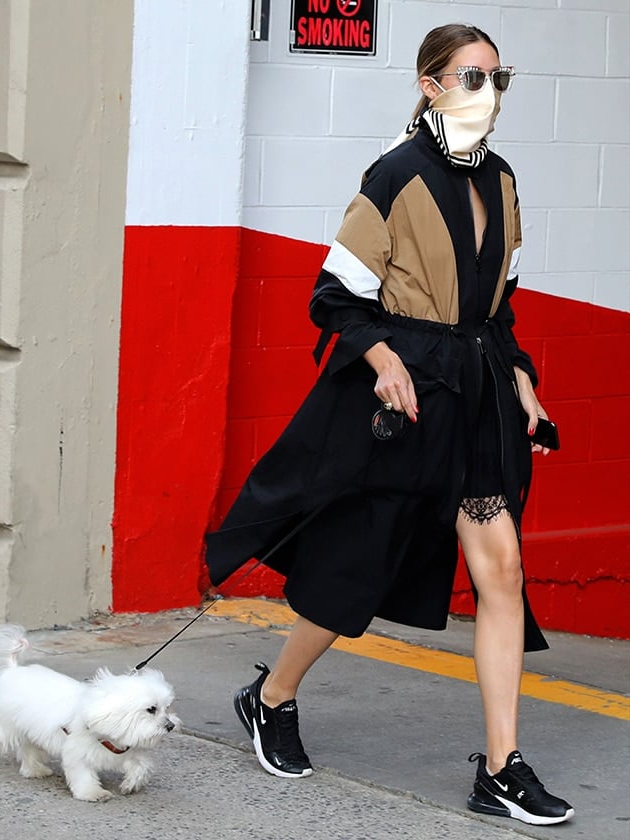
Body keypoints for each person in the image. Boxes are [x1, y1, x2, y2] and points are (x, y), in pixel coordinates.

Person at [205, 23, 574, 827]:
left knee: (502, 571)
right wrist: (382, 359)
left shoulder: (504, 180)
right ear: (430, 86)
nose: (487, 92)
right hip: (406, 406)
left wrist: (524, 386)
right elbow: (334, 296)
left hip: (475, 401)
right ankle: (272, 695)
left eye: (497, 77)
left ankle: (503, 767)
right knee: (355, 571)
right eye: (469, 77)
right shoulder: (395, 175)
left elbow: (498, 310)